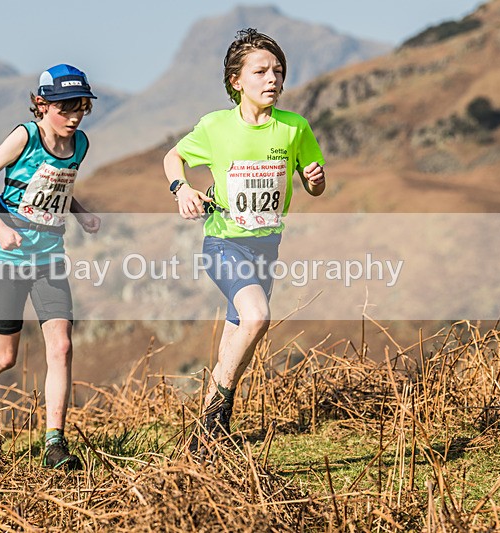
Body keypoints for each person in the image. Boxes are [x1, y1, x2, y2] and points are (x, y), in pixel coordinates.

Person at [163, 29, 326, 453]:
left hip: (266, 249)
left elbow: (314, 184)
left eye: (278, 70)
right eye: (260, 71)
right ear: (237, 81)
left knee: (237, 343)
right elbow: (173, 157)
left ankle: (205, 439)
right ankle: (214, 427)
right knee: (256, 317)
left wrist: (313, 181)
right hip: (224, 245)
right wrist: (181, 189)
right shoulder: (216, 126)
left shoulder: (294, 128)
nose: (272, 78)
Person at [0, 65, 101, 470]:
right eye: (65, 108)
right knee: (4, 357)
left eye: (81, 107)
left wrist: (82, 213)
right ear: (42, 104)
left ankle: (54, 444)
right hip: (8, 258)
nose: (73, 116)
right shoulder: (25, 136)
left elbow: (57, 187)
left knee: (62, 347)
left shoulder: (80, 144)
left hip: (49, 257)